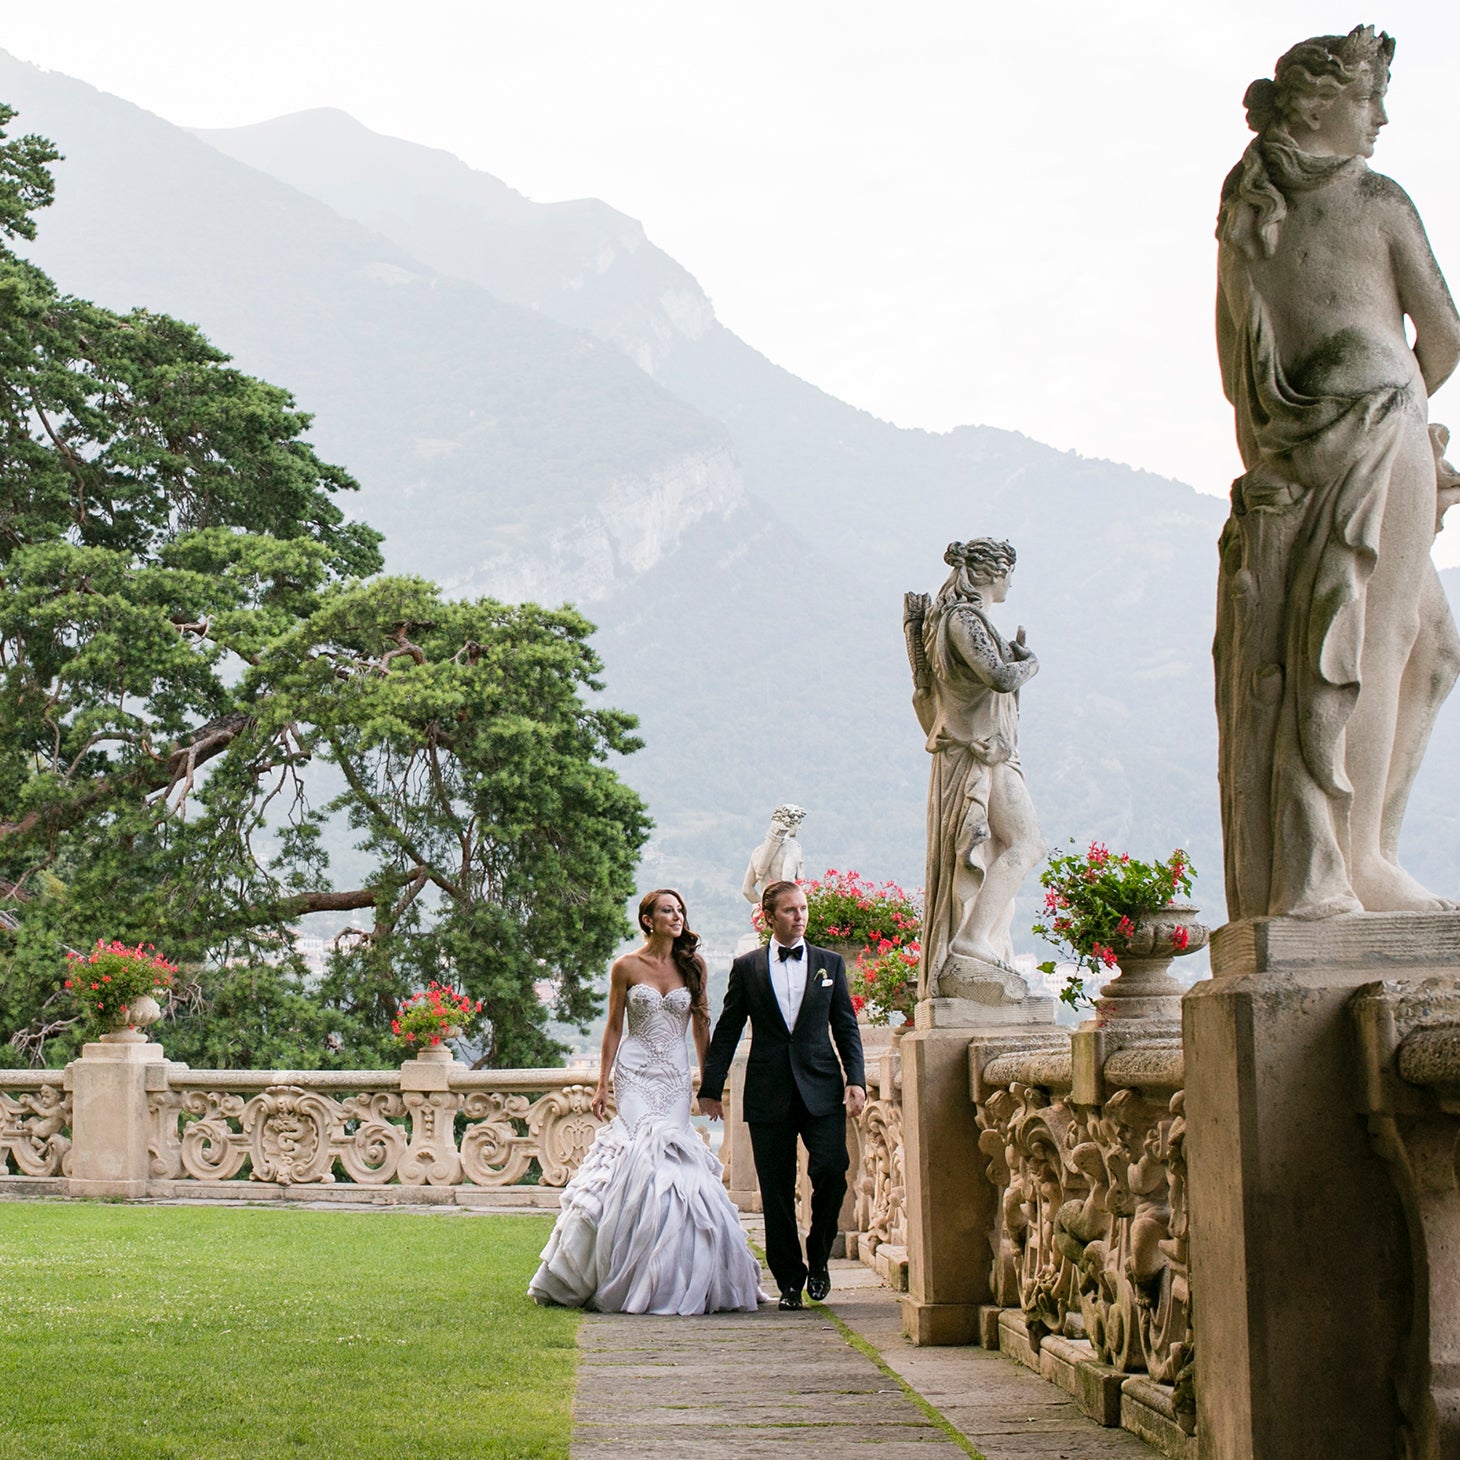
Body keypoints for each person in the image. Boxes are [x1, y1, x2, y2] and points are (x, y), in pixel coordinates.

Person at [1214, 25, 1460, 920]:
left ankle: (1365, 854)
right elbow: (1446, 335)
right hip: (1379, 428)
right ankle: (1359, 862)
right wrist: (1400, 410)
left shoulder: (1247, 212)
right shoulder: (1377, 199)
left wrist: (1280, 447)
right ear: (1322, 103)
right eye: (1369, 99)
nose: (1382, 116)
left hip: (1296, 442)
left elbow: (1237, 360)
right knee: (1380, 639)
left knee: (1414, 645)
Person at [528, 889, 766, 1314]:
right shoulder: (626, 966)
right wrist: (603, 1083)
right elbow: (614, 1028)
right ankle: (620, 1266)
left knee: (676, 1168)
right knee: (642, 1159)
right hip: (635, 1076)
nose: (676, 917)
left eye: (680, 911)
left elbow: (700, 1029)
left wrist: (709, 1085)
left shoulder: (693, 967)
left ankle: (669, 1271)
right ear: (648, 919)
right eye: (667, 911)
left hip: (674, 1078)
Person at [699, 880, 866, 1311]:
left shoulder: (829, 963)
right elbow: (729, 1029)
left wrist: (857, 1079)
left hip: (822, 1087)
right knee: (774, 1190)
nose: (800, 916)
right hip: (768, 1090)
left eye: (804, 908)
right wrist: (711, 1089)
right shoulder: (747, 967)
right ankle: (790, 1281)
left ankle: (820, 1256)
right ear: (769, 917)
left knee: (832, 1170)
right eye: (790, 910)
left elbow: (845, 1025)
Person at [903, 539, 1043, 999]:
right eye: (1009, 571)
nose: (1012, 581)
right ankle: (971, 939)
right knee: (1026, 843)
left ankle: (980, 939)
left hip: (985, 750)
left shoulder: (953, 621)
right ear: (992, 572)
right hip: (983, 754)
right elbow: (1000, 676)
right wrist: (1029, 663)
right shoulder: (963, 619)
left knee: (1008, 843)